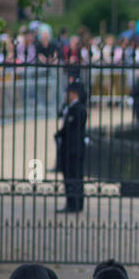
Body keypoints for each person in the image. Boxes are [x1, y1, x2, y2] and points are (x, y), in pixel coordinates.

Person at [56, 81, 87, 213]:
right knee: (72, 176)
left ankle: (74, 203)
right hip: (71, 148)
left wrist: (60, 134)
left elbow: (70, 128)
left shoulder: (78, 109)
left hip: (73, 149)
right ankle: (74, 203)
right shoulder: (70, 108)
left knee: (73, 177)